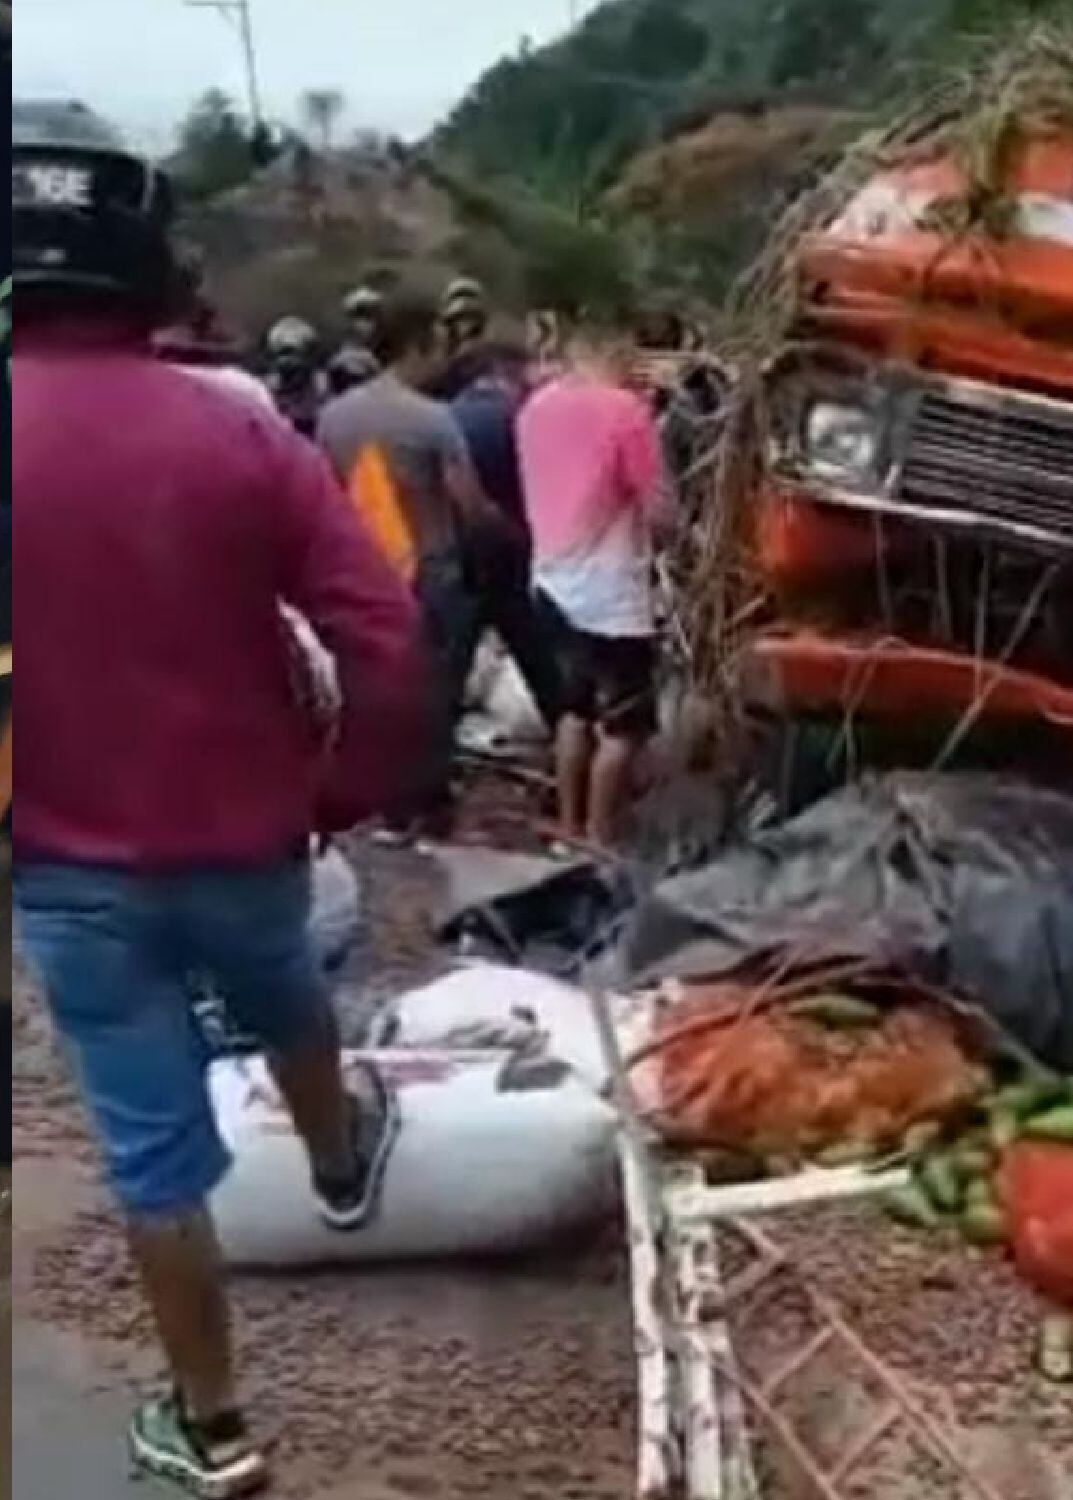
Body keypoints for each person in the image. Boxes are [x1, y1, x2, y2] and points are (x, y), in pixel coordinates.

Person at [12, 101, 427, 1497]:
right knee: (286, 995)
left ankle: (211, 1429)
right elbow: (384, 634)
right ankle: (337, 1160)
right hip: (252, 838)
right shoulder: (240, 432)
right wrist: (344, 785)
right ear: (149, 268)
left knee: (149, 1154)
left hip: (67, 862)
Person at [318, 294, 496, 839]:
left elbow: (322, 494)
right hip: (429, 575)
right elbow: (468, 505)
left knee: (365, 689)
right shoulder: (433, 419)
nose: (445, 360)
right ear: (417, 347)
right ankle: (423, 805)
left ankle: (369, 798)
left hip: (358, 572)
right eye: (439, 348)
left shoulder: (335, 415)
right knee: (434, 692)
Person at [517, 331, 669, 846]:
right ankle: (600, 841)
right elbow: (659, 505)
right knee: (623, 725)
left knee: (573, 712)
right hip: (612, 594)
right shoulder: (625, 411)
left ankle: (567, 827)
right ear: (617, 352)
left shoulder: (535, 408)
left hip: (548, 583)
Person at [448, 340, 560, 727]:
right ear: (505, 370)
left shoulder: (450, 414)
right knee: (531, 645)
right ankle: (562, 720)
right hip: (510, 546)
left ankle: (435, 738)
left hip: (461, 547)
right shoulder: (519, 415)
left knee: (458, 650)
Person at [263, 315, 327, 437]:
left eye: (294, 353)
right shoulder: (263, 391)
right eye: (281, 354)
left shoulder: (324, 388)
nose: (287, 361)